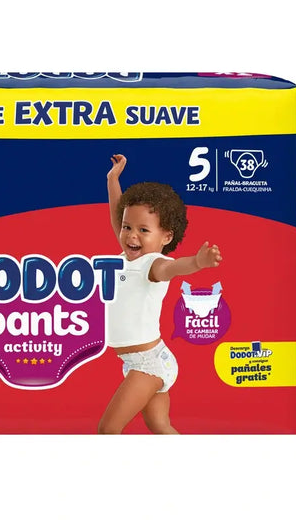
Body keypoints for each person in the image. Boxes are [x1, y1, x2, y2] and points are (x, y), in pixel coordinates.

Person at [98, 154, 222, 434]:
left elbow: (173, 268)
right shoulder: (127, 257)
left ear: (166, 237)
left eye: (143, 230)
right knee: (160, 425)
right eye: (127, 227)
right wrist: (112, 179)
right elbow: (117, 212)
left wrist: (197, 263)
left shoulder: (152, 264)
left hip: (148, 364)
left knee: (108, 429)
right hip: (141, 361)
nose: (131, 235)